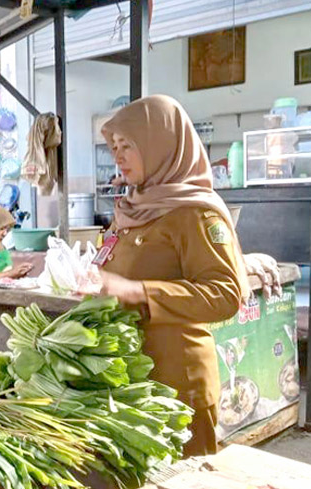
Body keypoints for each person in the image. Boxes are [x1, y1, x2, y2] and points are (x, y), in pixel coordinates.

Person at [96, 95, 248, 456]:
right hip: (130, 379)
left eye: (127, 146)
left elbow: (226, 293)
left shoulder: (194, 213)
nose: (118, 157)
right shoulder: (132, 208)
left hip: (177, 385)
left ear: (159, 144)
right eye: (114, 146)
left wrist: (141, 293)